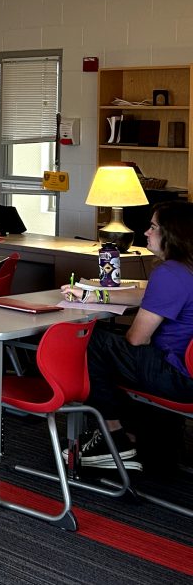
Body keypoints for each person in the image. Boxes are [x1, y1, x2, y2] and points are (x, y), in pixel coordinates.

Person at [73, 202, 193, 471]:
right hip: (188, 372)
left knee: (93, 339)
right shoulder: (186, 270)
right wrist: (94, 295)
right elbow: (145, 294)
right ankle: (136, 434)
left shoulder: (170, 272)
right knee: (113, 352)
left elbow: (137, 339)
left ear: (172, 233)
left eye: (153, 227)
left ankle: (114, 436)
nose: (147, 232)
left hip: (176, 376)